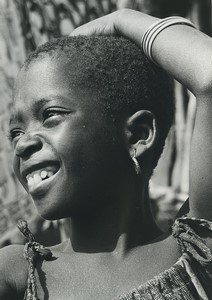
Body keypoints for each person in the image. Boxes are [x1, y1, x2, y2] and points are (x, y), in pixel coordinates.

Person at [1, 8, 212, 300]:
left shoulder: (197, 251)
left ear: (137, 135)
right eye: (16, 133)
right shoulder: (19, 273)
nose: (22, 144)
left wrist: (122, 19)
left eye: (50, 115)